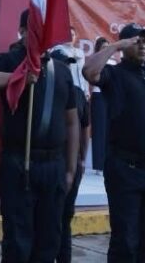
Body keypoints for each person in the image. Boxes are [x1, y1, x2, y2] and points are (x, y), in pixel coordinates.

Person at [0, 8, 79, 263]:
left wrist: (71, 169)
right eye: (35, 28)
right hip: (20, 161)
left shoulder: (62, 69)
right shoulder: (11, 59)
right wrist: (17, 78)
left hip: (54, 164)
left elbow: (72, 121)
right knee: (18, 240)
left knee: (49, 239)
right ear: (22, 32)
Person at [82, 24, 145, 263]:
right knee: (125, 242)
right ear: (125, 45)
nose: (143, 46)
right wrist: (116, 46)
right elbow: (89, 72)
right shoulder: (114, 74)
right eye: (137, 41)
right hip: (125, 170)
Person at [52, 50, 90, 263]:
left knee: (65, 217)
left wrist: (82, 158)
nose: (66, 69)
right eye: (62, 64)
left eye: (68, 65)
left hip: (71, 164)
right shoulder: (44, 88)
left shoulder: (77, 93)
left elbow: (85, 127)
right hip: (51, 160)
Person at [89, 36, 110, 174]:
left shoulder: (113, 62)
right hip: (98, 95)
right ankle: (98, 165)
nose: (106, 50)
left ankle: (108, 162)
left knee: (109, 130)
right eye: (103, 47)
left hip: (110, 97)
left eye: (107, 47)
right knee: (99, 130)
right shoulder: (94, 60)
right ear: (98, 48)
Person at [56, 27, 88, 99]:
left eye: (73, 35)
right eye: (68, 35)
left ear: (75, 37)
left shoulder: (80, 52)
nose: (70, 37)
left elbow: (84, 72)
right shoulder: (59, 49)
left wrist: (86, 91)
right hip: (68, 89)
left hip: (81, 90)